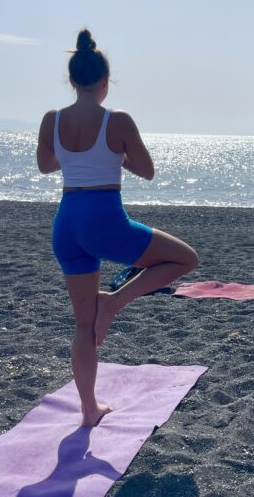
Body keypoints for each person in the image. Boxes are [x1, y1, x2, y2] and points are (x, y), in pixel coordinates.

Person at [36, 30, 198, 426]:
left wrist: (78, 157)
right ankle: (115, 301)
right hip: (103, 219)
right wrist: (115, 155)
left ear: (72, 80)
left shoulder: (52, 120)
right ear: (105, 82)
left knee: (82, 326)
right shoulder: (118, 120)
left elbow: (46, 165)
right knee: (185, 259)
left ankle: (89, 410)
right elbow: (146, 170)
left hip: (67, 222)